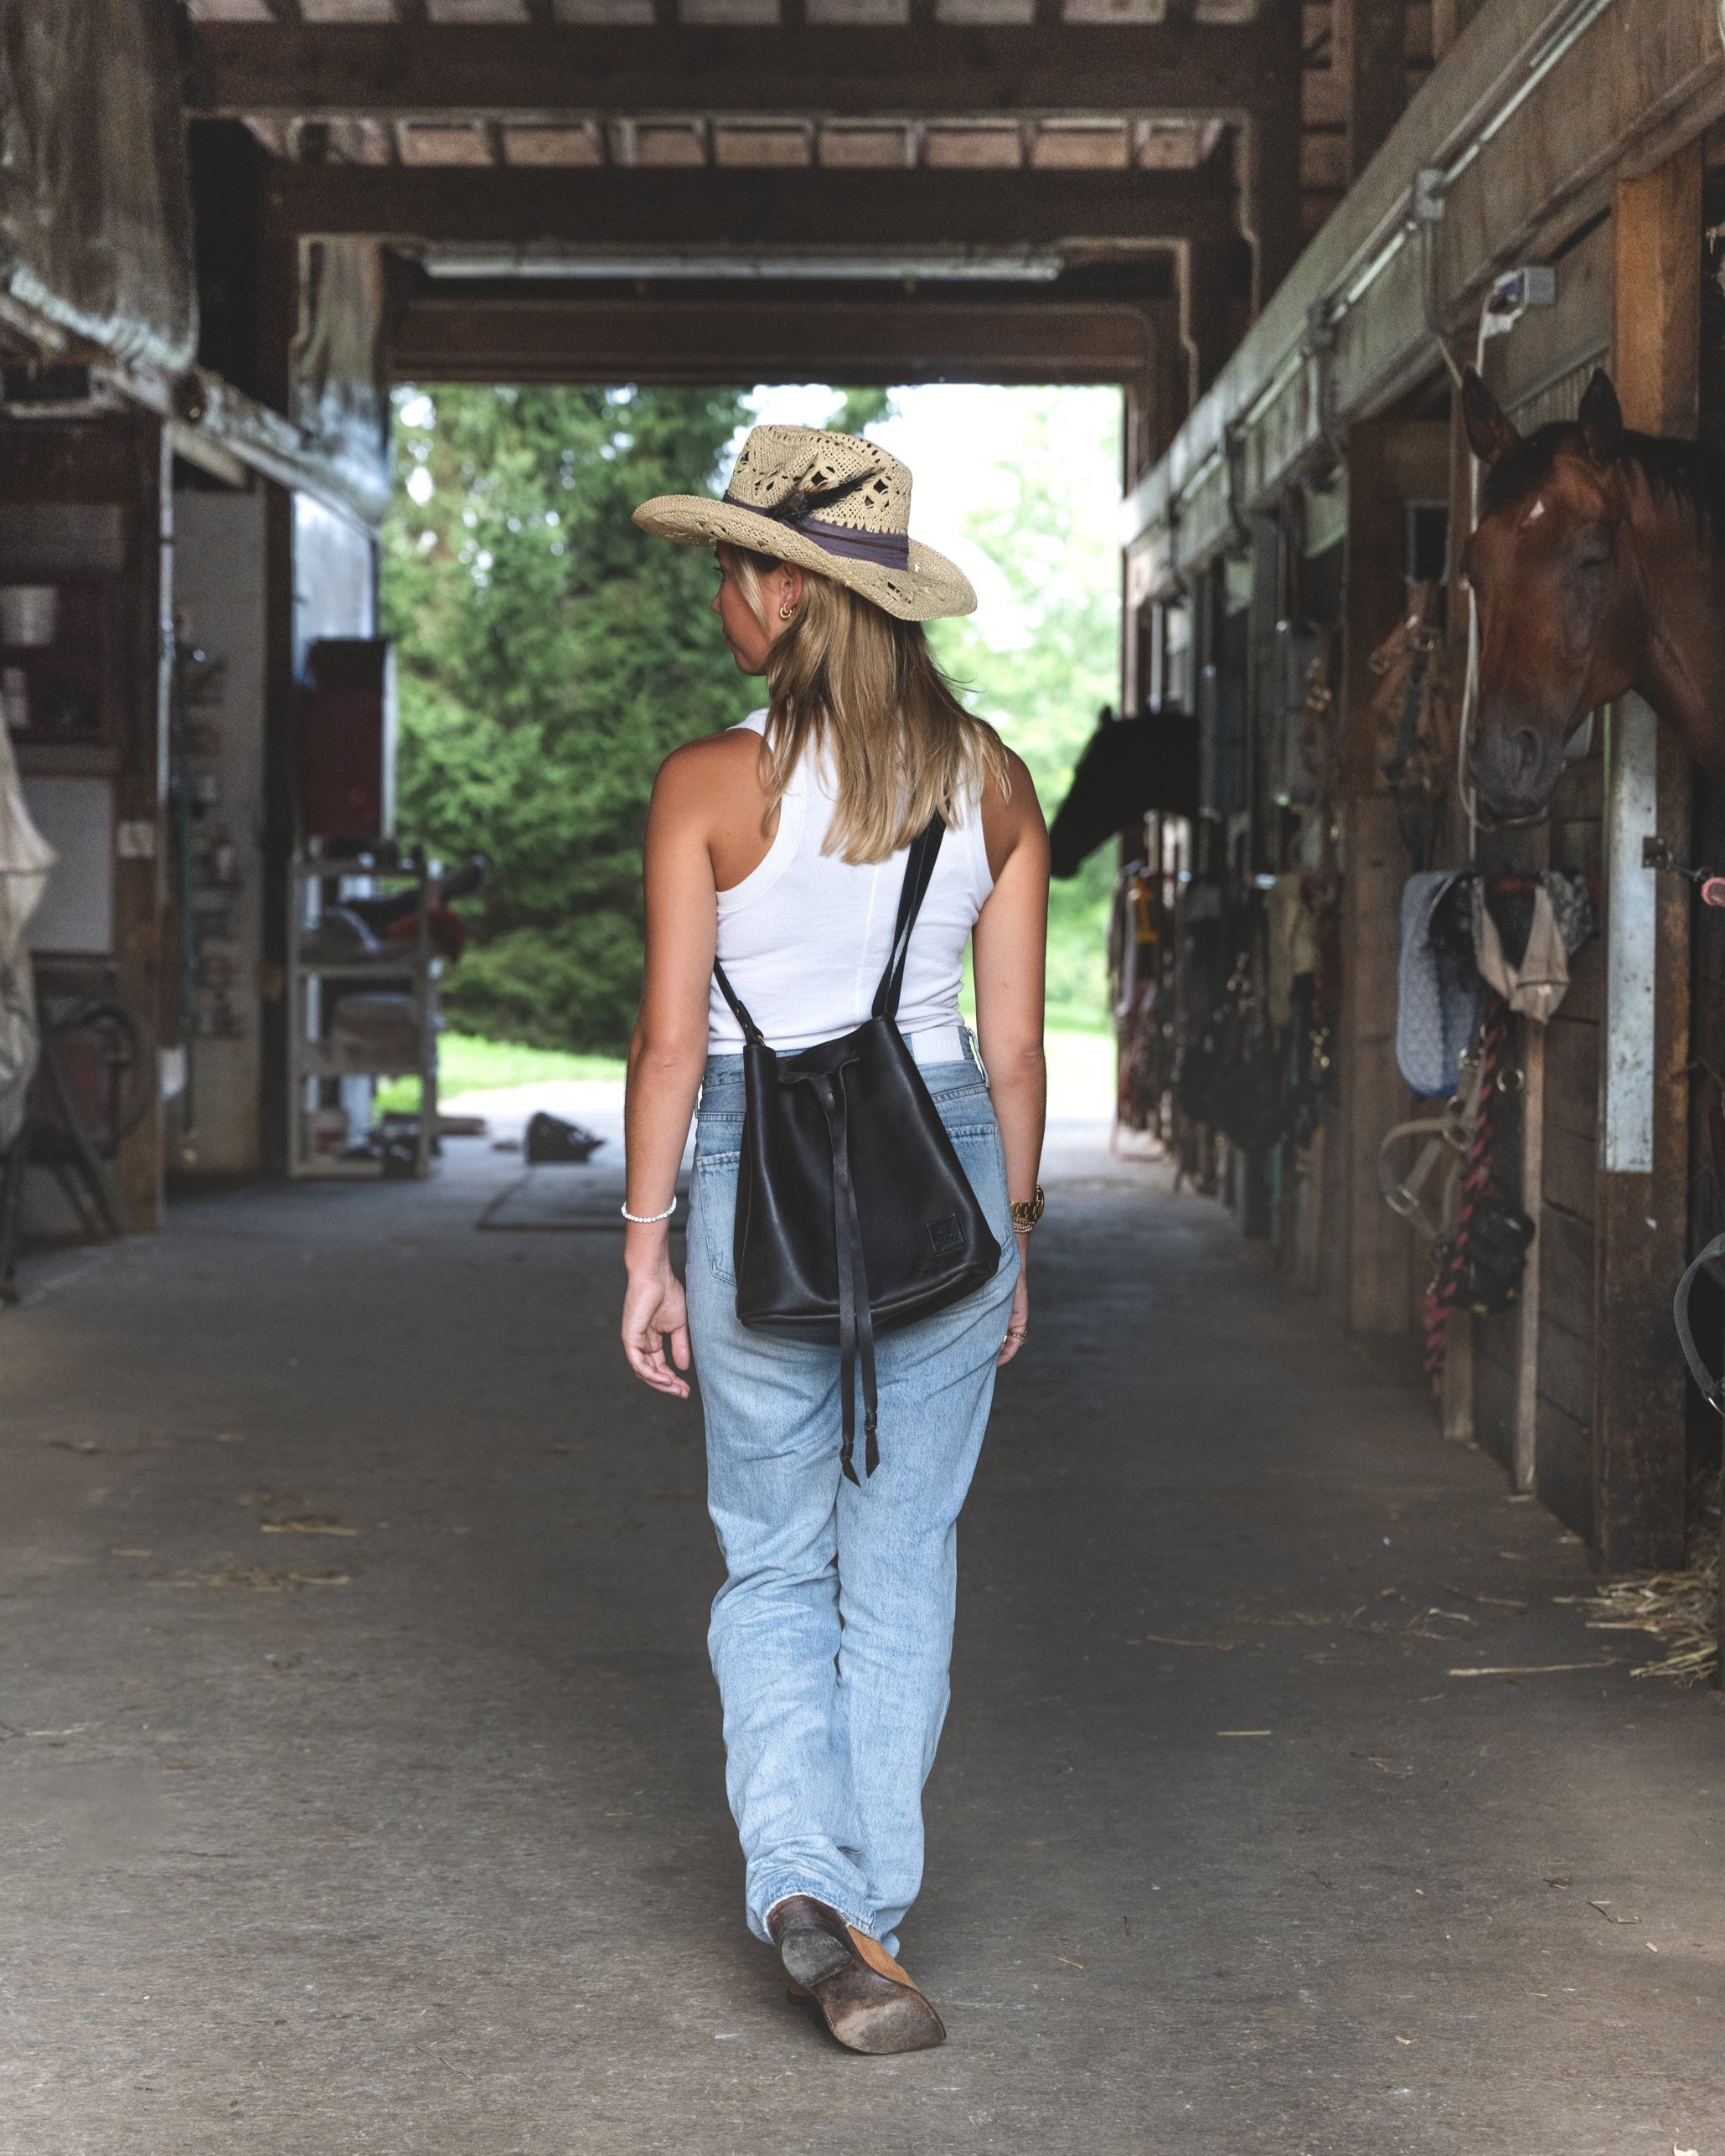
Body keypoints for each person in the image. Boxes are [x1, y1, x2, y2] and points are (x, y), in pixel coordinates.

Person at [619, 425, 1048, 2054]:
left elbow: (668, 1046)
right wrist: (1012, 1230)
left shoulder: (705, 786)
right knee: (901, 1563)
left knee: (775, 1558)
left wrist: (647, 1242)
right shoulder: (989, 779)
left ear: (786, 594)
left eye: (736, 569)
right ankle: (867, 1906)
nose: (724, 601)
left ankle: (810, 1883)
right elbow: (1013, 1054)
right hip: (940, 1161)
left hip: (750, 1169)